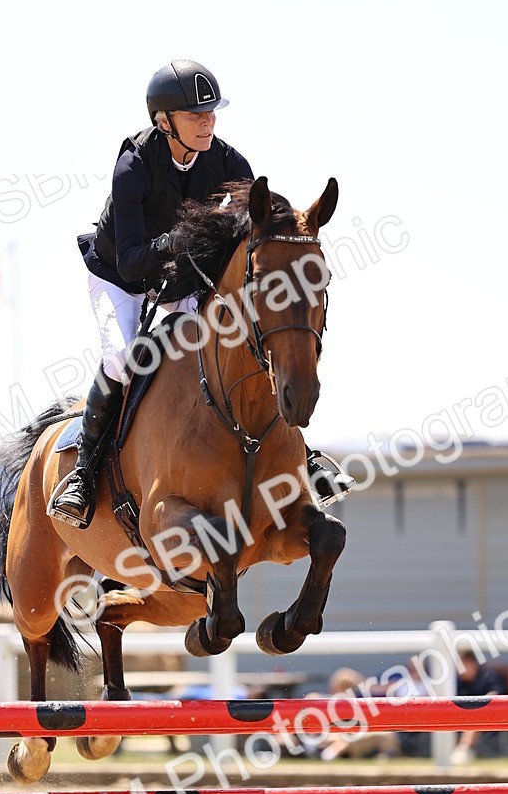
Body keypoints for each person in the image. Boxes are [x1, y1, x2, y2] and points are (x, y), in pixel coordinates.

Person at [52, 58, 356, 528]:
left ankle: (304, 456)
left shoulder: (230, 163)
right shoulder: (133, 165)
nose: (207, 122)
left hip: (181, 278)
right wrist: (183, 239)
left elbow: (250, 235)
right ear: (164, 121)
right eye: (196, 114)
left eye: (211, 112)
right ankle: (83, 476)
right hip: (120, 276)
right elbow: (133, 260)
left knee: (240, 338)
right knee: (124, 354)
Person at [451, 648, 505, 764]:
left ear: (471, 663)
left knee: (476, 716)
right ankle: (452, 749)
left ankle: (464, 749)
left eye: (463, 665)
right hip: (464, 716)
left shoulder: (488, 675)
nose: (460, 670)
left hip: (490, 715)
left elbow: (497, 694)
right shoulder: (460, 682)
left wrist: (480, 705)